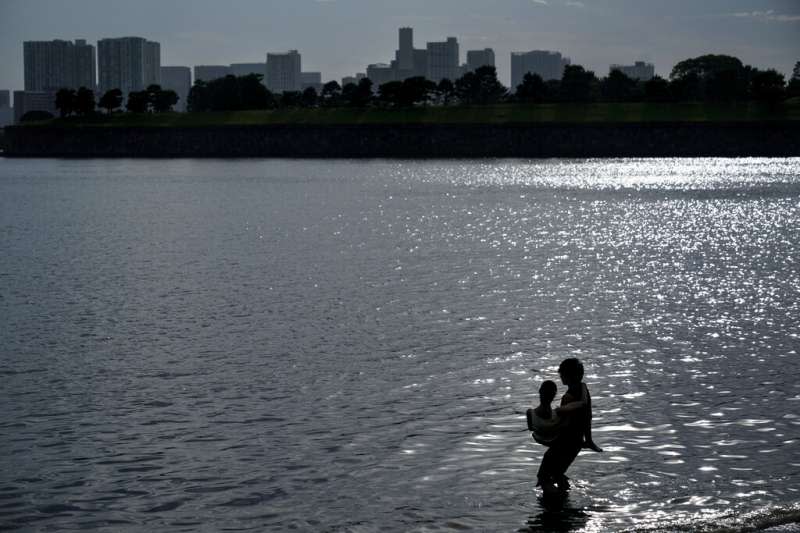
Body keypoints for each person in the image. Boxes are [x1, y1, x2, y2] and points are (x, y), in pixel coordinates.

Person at [533, 358, 602, 494]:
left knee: (543, 477)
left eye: (562, 374)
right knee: (558, 473)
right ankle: (564, 499)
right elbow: (588, 417)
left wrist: (544, 428)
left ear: (570, 376)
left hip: (564, 444)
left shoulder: (568, 398)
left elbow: (563, 425)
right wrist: (588, 439)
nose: (560, 376)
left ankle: (554, 504)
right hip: (576, 442)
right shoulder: (584, 391)